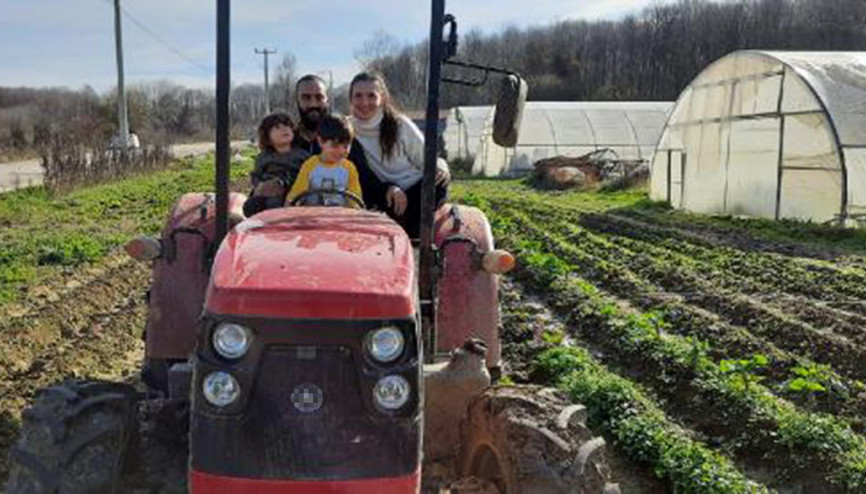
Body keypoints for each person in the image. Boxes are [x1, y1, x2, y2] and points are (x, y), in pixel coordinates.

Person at [348, 71, 450, 238]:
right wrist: (389, 190)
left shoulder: (399, 124)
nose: (364, 102)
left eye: (371, 95)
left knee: (436, 185)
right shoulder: (347, 129)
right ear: (351, 99)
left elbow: (425, 158)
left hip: (413, 188)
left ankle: (416, 238)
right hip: (383, 194)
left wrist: (440, 166)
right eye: (358, 95)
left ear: (382, 98)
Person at [292, 74, 389, 209]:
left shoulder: (345, 138)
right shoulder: (287, 139)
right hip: (301, 215)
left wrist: (388, 189)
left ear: (327, 100)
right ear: (297, 100)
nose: (313, 104)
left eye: (319, 97)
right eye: (306, 98)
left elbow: (365, 177)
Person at [242, 112, 309, 217]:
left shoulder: (302, 155)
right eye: (277, 127)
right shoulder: (264, 157)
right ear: (268, 138)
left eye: (287, 126)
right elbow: (256, 175)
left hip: (293, 192)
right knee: (250, 205)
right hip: (269, 193)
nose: (284, 129)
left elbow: (308, 173)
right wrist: (260, 186)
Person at [287, 115, 362, 208]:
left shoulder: (349, 168)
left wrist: (355, 209)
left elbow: (355, 198)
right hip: (313, 215)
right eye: (335, 146)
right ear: (320, 141)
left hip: (340, 216)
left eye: (346, 147)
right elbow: (297, 192)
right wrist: (290, 203)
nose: (341, 151)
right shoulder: (310, 165)